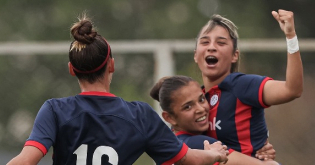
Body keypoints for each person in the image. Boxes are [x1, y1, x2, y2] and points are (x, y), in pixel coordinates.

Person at [6, 14, 229, 165]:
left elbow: (26, 160)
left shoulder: (55, 110)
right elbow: (187, 159)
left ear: (71, 70)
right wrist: (214, 155)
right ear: (112, 64)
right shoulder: (140, 116)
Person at [193, 9, 303, 157]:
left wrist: (291, 37)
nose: (211, 47)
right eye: (205, 42)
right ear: (195, 55)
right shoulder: (194, 100)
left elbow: (292, 90)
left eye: (221, 42)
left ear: (234, 55)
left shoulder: (242, 85)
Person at [150, 75, 280, 165]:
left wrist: (258, 147)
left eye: (201, 99)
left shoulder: (173, 143)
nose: (200, 109)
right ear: (169, 117)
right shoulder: (199, 144)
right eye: (187, 107)